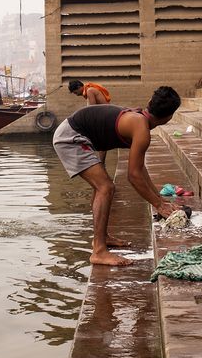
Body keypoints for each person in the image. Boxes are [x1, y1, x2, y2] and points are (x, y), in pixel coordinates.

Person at [52, 86, 182, 266]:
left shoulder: (139, 120)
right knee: (105, 187)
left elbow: (140, 168)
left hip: (75, 131)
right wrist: (158, 204)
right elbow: (134, 176)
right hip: (70, 137)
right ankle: (98, 251)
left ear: (149, 103)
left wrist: (160, 199)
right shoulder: (141, 128)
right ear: (169, 117)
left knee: (102, 187)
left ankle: (102, 238)